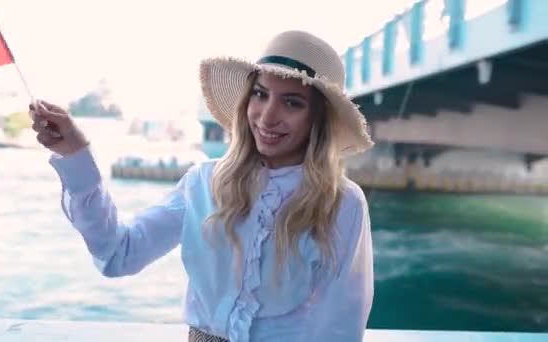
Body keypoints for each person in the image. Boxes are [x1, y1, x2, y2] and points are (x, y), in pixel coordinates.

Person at [31, 30, 375, 342]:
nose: (267, 116)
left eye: (292, 102)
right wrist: (76, 156)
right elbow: (119, 255)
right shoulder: (202, 183)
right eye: (260, 94)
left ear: (317, 118)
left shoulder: (342, 203)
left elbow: (340, 326)